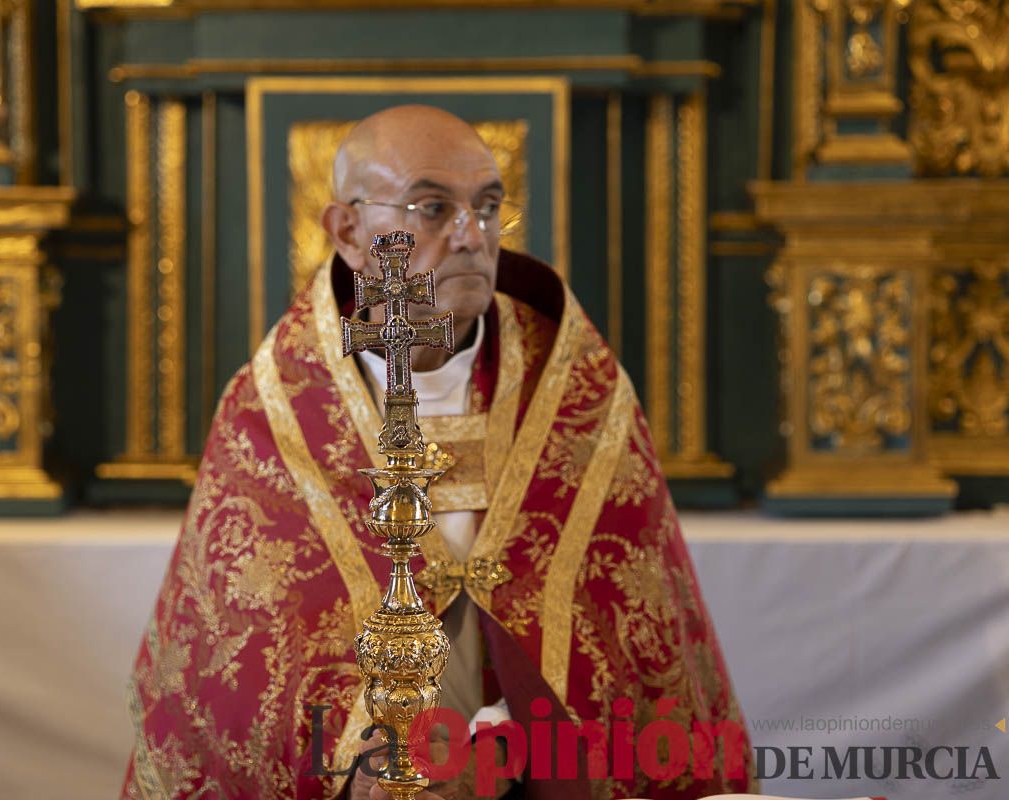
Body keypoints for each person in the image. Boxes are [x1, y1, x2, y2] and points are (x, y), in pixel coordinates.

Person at [121, 105, 753, 800]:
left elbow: (631, 628)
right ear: (349, 231)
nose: (471, 237)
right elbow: (238, 672)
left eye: (487, 207)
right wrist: (354, 750)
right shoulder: (273, 411)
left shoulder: (575, 389)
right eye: (432, 207)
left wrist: (523, 732)